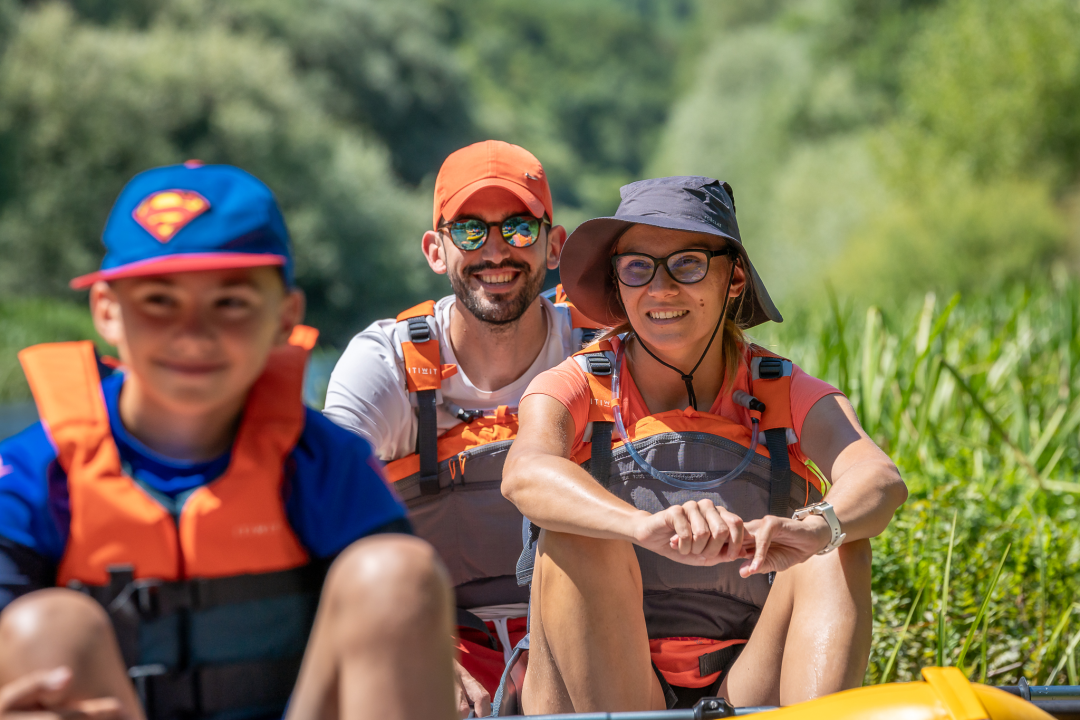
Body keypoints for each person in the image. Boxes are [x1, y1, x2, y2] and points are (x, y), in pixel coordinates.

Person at [0, 162, 457, 720]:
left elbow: (394, 615)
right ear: (106, 311)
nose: (193, 333)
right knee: (45, 627)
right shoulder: (31, 477)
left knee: (398, 574)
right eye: (159, 302)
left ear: (285, 315)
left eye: (231, 303)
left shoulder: (321, 460)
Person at [501, 176, 908, 712]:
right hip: (599, 683)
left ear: (733, 278)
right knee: (577, 536)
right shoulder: (573, 383)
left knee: (835, 545)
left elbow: (879, 479)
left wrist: (812, 526)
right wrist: (640, 527)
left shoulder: (779, 385)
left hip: (742, 683)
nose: (661, 289)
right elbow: (524, 472)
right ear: (618, 283)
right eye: (637, 268)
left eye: (688, 264)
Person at [323, 140, 599, 715]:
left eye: (519, 229)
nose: (495, 251)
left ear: (555, 245)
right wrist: (410, 645)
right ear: (435, 250)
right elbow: (323, 504)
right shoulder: (386, 363)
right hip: (434, 638)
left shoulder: (599, 350)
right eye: (470, 231)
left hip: (578, 636)